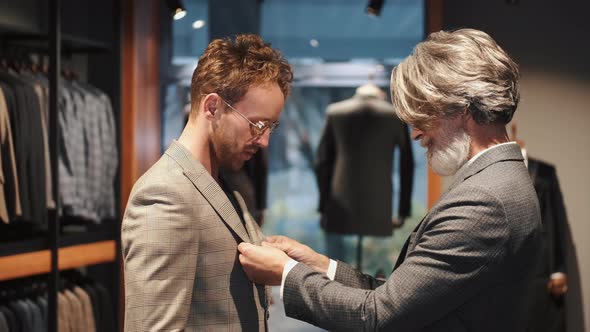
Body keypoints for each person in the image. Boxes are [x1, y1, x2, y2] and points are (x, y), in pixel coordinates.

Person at [238, 28, 542, 331]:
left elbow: (378, 316)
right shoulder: (500, 180)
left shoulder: (484, 201)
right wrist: (318, 265)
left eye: (423, 115)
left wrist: (286, 273)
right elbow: (402, 296)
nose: (415, 133)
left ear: (462, 107)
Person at [121, 34, 292, 331]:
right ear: (212, 107)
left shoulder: (223, 182)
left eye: (270, 127)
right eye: (257, 124)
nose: (264, 140)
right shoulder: (164, 196)